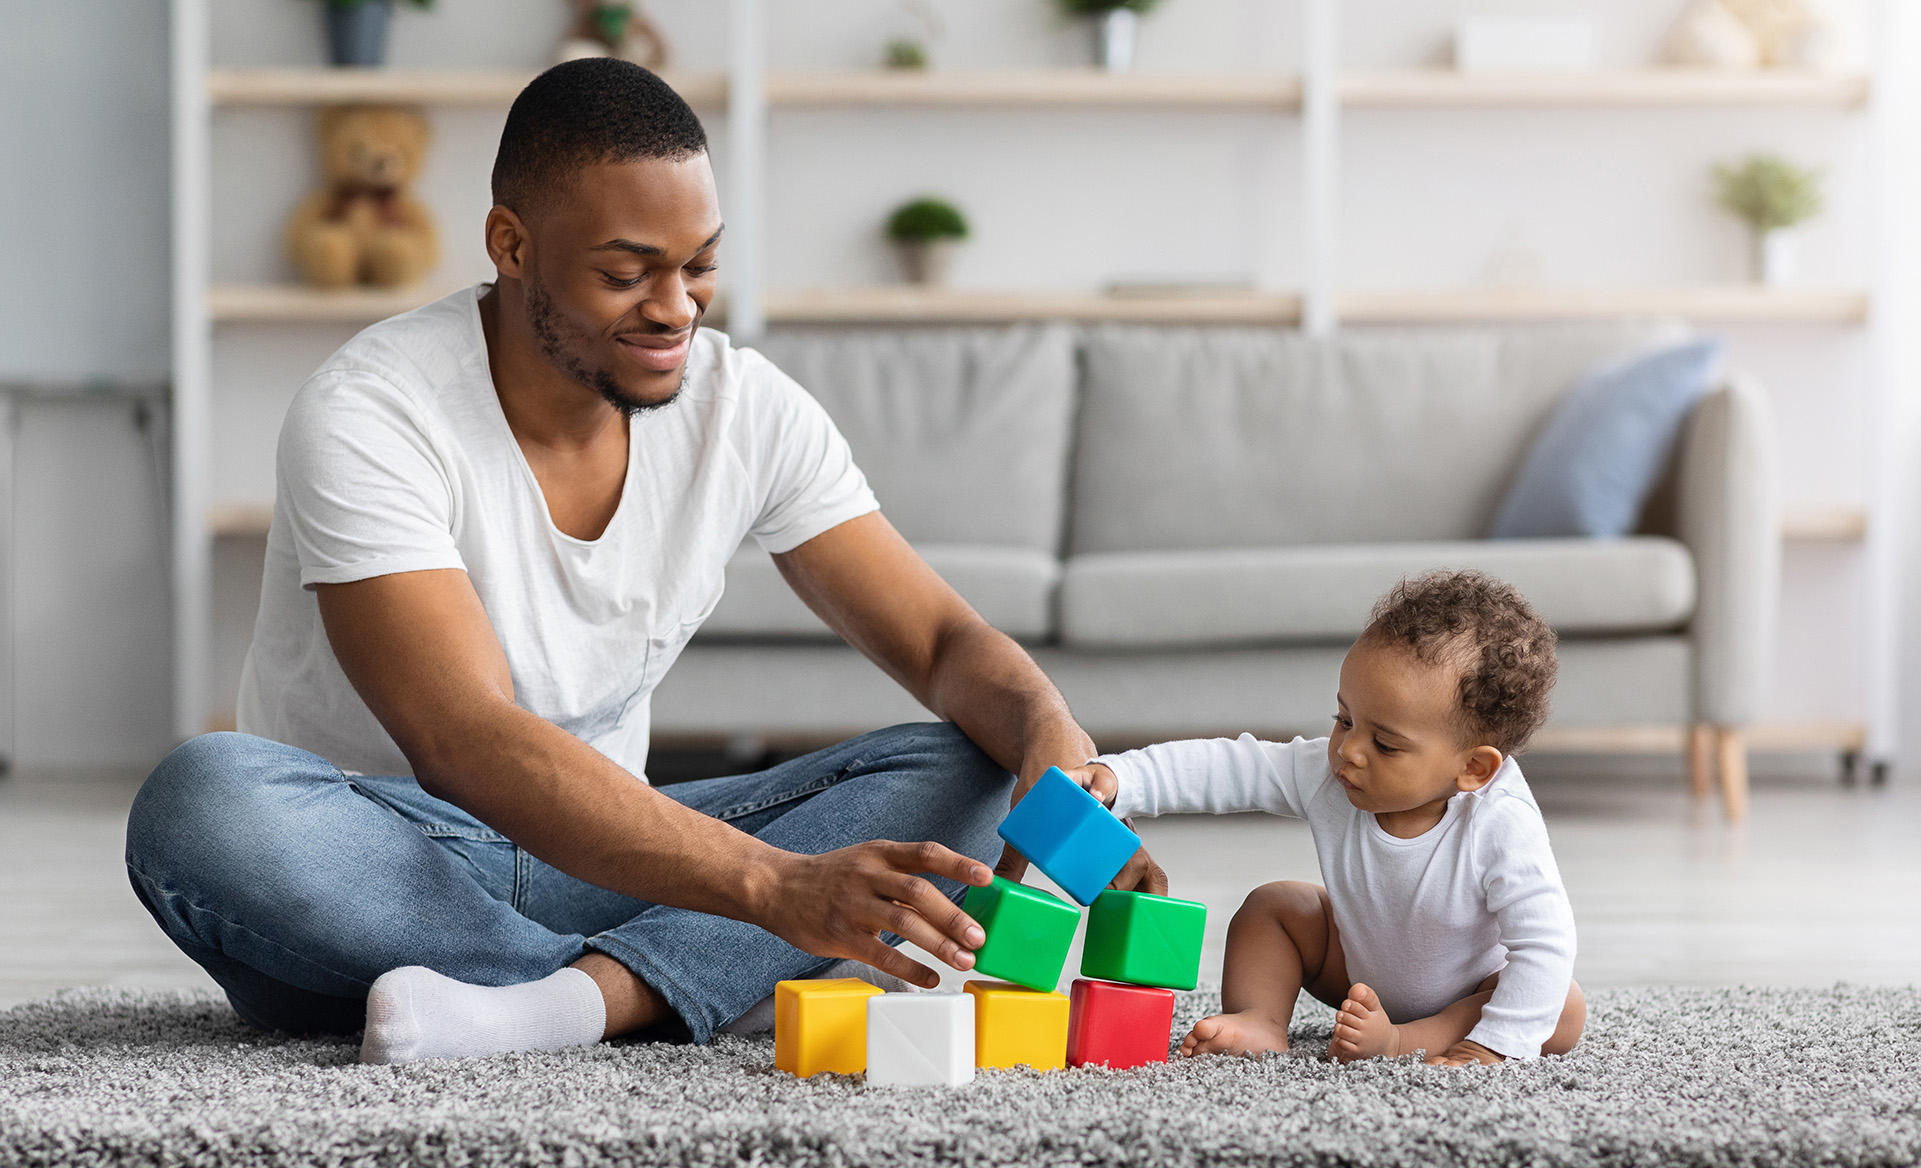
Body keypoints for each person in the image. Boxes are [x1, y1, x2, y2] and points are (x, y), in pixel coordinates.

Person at [124, 58, 1161, 1065]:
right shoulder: (371, 411)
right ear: (512, 244)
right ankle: (690, 981)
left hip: (632, 860)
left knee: (973, 760)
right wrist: (773, 895)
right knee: (203, 800)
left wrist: (1048, 733)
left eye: (698, 264)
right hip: (388, 866)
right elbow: (464, 739)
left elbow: (939, 641)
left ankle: (565, 1005)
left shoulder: (744, 409)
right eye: (625, 273)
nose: (674, 307)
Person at [1068, 571, 1583, 1066]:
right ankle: (1261, 1019)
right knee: (1276, 904)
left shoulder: (1501, 825)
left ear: (1473, 768)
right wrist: (1122, 778)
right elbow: (1231, 767)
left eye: (1384, 743)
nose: (1349, 751)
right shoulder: (1331, 772)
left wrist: (1495, 1042)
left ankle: (1406, 1041)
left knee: (1561, 1005)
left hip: (1470, 992)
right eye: (1344, 719)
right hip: (1357, 972)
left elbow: (1545, 941)